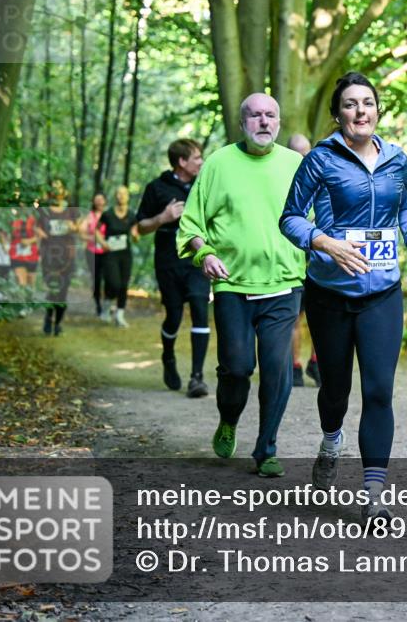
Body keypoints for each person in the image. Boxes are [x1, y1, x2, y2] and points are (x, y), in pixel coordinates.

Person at [281, 72, 407, 521]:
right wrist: (324, 242)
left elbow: (406, 203)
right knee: (335, 390)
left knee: (380, 390)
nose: (360, 111)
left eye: (367, 103)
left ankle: (374, 492)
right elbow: (290, 218)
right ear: (338, 114)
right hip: (329, 291)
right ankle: (331, 439)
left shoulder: (396, 159)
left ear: (378, 111)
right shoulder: (320, 160)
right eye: (350, 104)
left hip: (383, 289)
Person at [178, 93, 306, 478]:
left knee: (276, 369)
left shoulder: (296, 164)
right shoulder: (218, 164)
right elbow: (192, 223)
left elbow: (317, 219)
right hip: (232, 285)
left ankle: (266, 447)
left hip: (284, 285)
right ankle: (228, 419)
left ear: (279, 123)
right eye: (255, 116)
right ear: (242, 123)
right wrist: (205, 254)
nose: (263, 122)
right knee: (237, 368)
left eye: (270, 115)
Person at [137, 139, 210, 398]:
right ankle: (168, 356)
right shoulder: (156, 188)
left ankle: (197, 378)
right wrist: (162, 218)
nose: (201, 162)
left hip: (198, 260)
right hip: (168, 261)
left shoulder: (205, 186)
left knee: (201, 310)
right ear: (182, 162)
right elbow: (141, 227)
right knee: (174, 316)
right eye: (197, 158)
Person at [286, 133, 321, 388]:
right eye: (297, 153)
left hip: (319, 261)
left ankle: (316, 363)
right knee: (294, 319)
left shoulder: (320, 178)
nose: (302, 158)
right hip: (292, 262)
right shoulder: (283, 180)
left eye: (306, 153)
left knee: (321, 317)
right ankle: (294, 365)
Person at [38, 180, 78, 335]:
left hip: (66, 255)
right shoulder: (43, 210)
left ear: (64, 190)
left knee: (63, 290)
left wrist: (71, 226)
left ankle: (58, 323)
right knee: (52, 288)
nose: (56, 189)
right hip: (48, 254)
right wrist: (40, 233)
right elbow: (36, 226)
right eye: (52, 186)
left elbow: (78, 228)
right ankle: (48, 319)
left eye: (59, 186)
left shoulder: (71, 209)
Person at [96, 186, 139, 328]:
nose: (121, 196)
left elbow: (136, 233)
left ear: (128, 197)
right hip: (110, 253)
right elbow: (96, 230)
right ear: (115, 196)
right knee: (114, 283)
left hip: (125, 254)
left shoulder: (132, 215)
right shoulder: (108, 214)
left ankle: (120, 315)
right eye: (118, 194)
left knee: (124, 285)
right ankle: (107, 306)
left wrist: (135, 236)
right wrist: (102, 243)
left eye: (123, 194)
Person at [80, 193, 108, 320]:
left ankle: (108, 302)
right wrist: (92, 238)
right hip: (92, 252)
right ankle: (98, 305)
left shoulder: (108, 215)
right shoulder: (89, 217)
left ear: (105, 201)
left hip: (107, 252)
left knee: (109, 278)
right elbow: (81, 233)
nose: (99, 202)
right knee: (97, 278)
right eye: (97, 200)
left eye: (101, 199)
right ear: (94, 202)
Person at [9, 208, 40, 289]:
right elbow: (3, 234)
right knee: (21, 284)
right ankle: (20, 300)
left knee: (30, 286)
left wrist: (29, 241)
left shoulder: (34, 219)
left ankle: (29, 300)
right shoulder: (11, 218)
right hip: (16, 255)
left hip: (32, 256)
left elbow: (41, 235)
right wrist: (5, 246)